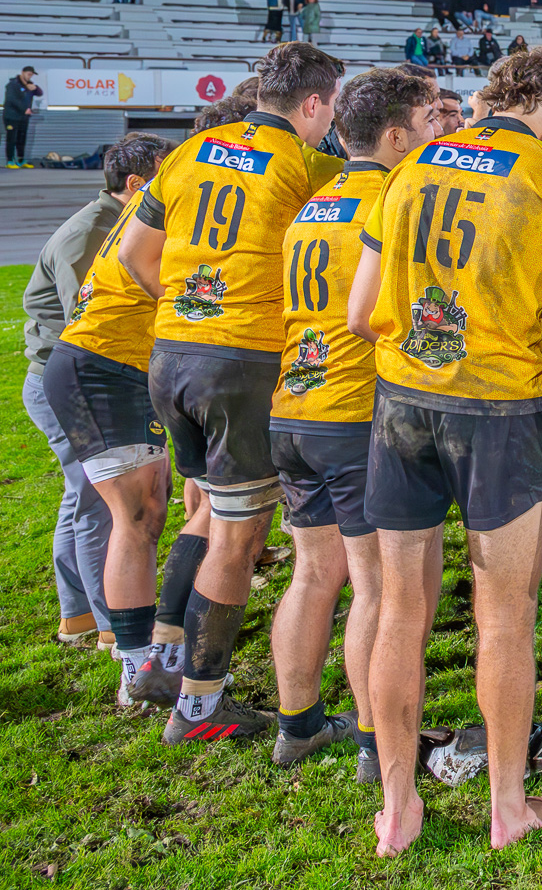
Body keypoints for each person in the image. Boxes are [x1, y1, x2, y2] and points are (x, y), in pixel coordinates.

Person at [349, 46, 542, 855]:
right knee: (505, 617)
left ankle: (398, 807)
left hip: (402, 401)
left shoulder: (414, 164)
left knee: (399, 607)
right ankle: (507, 806)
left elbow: (362, 314)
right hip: (498, 407)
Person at [115, 42, 346, 740]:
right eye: (328, 105)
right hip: (240, 361)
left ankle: (165, 655)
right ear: (314, 104)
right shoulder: (307, 166)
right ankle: (200, 706)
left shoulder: (193, 151)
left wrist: (190, 314)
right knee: (238, 541)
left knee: (210, 516)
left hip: (172, 354)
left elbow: (133, 255)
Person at [268, 68, 439, 780]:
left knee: (313, 574)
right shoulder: (395, 198)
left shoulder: (319, 198)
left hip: (293, 404)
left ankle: (298, 723)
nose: (440, 134)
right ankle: (378, 743)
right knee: (378, 589)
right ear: (395, 136)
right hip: (352, 413)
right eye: (430, 122)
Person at [35, 135, 173, 683]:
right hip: (93, 368)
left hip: (102, 368)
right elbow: (86, 312)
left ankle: (86, 620)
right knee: (118, 511)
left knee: (118, 506)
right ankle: (124, 643)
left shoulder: (128, 213)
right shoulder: (101, 227)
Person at [6, 65, 41, 167]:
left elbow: (39, 93)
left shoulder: (28, 85)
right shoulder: (13, 84)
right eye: (29, 74)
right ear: (23, 73)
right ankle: (10, 161)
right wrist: (24, 109)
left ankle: (21, 160)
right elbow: (11, 100)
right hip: (12, 117)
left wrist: (35, 87)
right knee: (11, 139)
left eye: (31, 75)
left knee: (21, 139)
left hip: (23, 118)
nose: (30, 77)